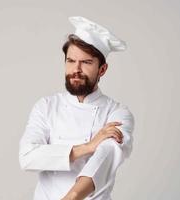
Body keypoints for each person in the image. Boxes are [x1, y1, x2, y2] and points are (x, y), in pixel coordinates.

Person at [19, 16, 135, 200]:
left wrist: (71, 197)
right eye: (71, 61)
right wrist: (88, 147)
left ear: (102, 69)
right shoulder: (46, 106)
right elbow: (27, 158)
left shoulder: (117, 113)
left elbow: (105, 158)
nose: (76, 69)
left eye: (86, 62)